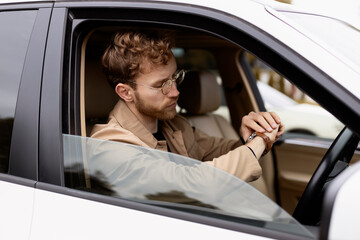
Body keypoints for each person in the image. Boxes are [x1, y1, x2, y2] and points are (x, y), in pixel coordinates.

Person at [91, 30, 284, 182]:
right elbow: (191, 183)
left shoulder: (174, 126)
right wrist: (259, 142)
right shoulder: (109, 146)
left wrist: (252, 136)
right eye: (161, 85)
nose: (175, 91)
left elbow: (218, 150)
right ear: (125, 92)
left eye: (174, 77)